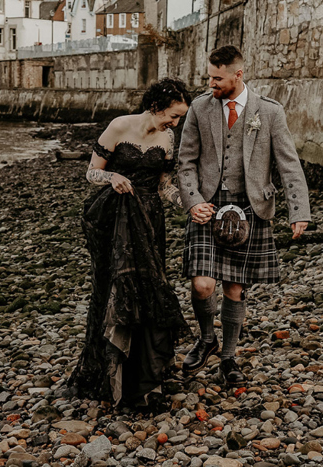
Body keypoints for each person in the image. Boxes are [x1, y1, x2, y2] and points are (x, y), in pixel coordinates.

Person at [178, 45, 312, 385]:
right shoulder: (199, 108)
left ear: (239, 74)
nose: (211, 83)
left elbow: (288, 164)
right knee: (202, 284)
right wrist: (193, 201)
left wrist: (299, 211)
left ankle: (229, 359)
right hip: (208, 208)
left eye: (218, 78)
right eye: (209, 76)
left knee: (235, 289)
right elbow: (185, 161)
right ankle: (207, 339)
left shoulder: (268, 112)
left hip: (251, 208)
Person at [66, 78, 191, 408]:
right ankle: (105, 373)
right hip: (115, 218)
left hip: (150, 220)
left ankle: (144, 377)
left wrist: (190, 205)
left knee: (149, 288)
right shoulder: (119, 126)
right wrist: (113, 177)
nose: (175, 123)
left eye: (179, 118)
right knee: (111, 288)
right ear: (156, 107)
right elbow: (92, 172)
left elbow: (165, 186)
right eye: (173, 116)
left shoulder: (167, 138)